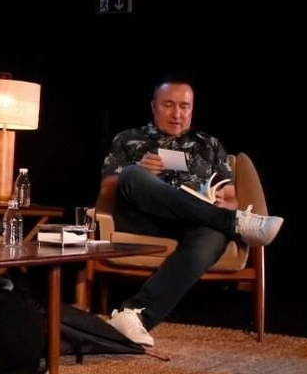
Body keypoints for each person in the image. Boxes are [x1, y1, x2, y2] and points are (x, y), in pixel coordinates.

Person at [99, 79, 284, 348]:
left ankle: (136, 314)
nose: (177, 114)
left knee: (213, 235)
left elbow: (231, 196)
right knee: (132, 174)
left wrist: (226, 204)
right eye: (169, 105)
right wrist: (140, 169)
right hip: (142, 219)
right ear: (153, 106)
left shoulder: (208, 144)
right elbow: (106, 191)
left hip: (193, 224)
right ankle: (236, 224)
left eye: (185, 107)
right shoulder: (128, 139)